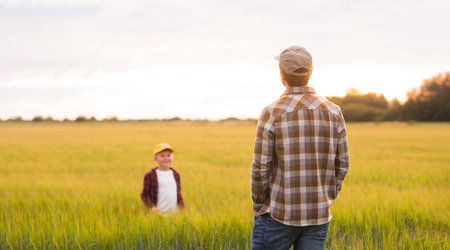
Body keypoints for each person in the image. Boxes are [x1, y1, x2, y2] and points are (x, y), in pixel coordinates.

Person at [250, 46, 350, 250]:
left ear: (281, 75)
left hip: (278, 214)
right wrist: (326, 197)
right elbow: (342, 165)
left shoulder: (272, 112)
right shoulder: (333, 111)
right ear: (311, 72)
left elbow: (260, 167)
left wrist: (259, 204)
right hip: (318, 215)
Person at [141, 143, 185, 214]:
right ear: (155, 159)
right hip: (158, 215)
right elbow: (144, 195)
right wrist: (152, 207)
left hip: (174, 215)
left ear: (172, 157)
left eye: (169, 155)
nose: (166, 158)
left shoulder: (176, 174)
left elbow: (178, 193)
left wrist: (183, 208)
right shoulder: (150, 175)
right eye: (162, 156)